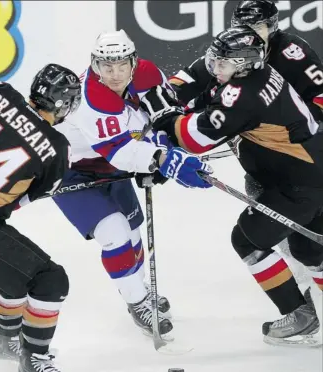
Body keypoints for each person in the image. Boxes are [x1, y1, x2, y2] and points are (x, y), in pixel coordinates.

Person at [140, 25, 323, 346]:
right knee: (308, 248)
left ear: (243, 64)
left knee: (248, 239)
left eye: (222, 63)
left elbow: (195, 138)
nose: (214, 66)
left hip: (298, 186)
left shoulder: (244, 95)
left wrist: (163, 116)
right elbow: (205, 87)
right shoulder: (258, 74)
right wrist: (174, 99)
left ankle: (299, 316)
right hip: (310, 173)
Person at [54, 29, 212, 338]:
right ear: (94, 65)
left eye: (121, 66)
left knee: (133, 232)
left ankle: (139, 290)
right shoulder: (90, 98)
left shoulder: (148, 73)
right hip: (73, 172)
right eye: (106, 67)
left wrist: (163, 143)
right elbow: (122, 152)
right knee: (114, 233)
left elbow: (159, 115)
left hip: (113, 170)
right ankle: (137, 302)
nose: (114, 75)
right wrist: (164, 159)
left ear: (133, 62)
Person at [0, 64, 82, 372]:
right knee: (49, 278)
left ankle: (4, 342)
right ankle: (35, 357)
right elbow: (30, 196)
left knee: (12, 272)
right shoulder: (57, 149)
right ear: (66, 105)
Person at [169, 0, 323, 198]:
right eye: (242, 26)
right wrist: (166, 104)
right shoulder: (228, 49)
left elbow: (320, 96)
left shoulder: (293, 52)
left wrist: (297, 127)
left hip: (301, 139)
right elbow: (185, 81)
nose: (249, 32)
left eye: (257, 27)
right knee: (261, 186)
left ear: (272, 27)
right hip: (255, 138)